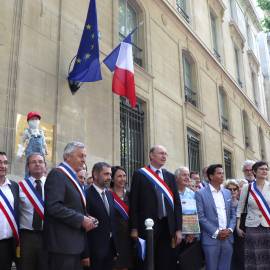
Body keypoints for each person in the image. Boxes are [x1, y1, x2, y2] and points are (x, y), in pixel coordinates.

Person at [44, 141, 96, 270]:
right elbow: (54, 206)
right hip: (62, 247)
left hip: (74, 245)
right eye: (81, 156)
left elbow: (73, 206)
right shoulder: (57, 174)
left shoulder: (72, 177)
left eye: (85, 156)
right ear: (67, 156)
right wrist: (81, 219)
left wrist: (87, 217)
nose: (84, 160)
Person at [129, 145, 182, 270]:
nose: (164, 156)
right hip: (147, 226)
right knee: (148, 261)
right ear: (151, 155)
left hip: (167, 225)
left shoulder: (169, 176)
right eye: (161, 153)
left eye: (165, 154)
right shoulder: (140, 174)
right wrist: (134, 228)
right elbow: (134, 203)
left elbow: (177, 205)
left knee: (165, 261)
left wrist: (179, 229)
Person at [195, 164, 236, 270]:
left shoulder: (227, 193)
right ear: (211, 176)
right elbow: (201, 216)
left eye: (223, 173)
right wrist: (217, 232)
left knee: (225, 267)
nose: (222, 175)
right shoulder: (200, 194)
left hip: (228, 238)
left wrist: (230, 229)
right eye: (219, 173)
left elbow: (233, 214)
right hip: (211, 239)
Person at [83, 162, 117, 270]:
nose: (109, 177)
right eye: (106, 174)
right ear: (95, 175)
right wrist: (85, 254)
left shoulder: (110, 195)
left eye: (110, 174)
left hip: (109, 251)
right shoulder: (86, 195)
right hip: (93, 252)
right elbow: (83, 228)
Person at [236, 161, 270, 270]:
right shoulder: (247, 187)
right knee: (253, 256)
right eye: (261, 169)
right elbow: (240, 208)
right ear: (254, 171)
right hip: (252, 227)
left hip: (268, 225)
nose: (264, 171)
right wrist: (237, 226)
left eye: (266, 169)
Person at [19, 153, 48, 270]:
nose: (37, 164)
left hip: (47, 236)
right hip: (27, 237)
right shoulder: (20, 186)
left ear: (45, 165)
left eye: (40, 161)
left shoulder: (53, 184)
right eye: (33, 162)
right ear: (28, 166)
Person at [175, 167, 202, 270]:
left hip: (190, 237)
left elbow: (195, 213)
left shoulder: (192, 194)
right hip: (175, 236)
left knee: (188, 263)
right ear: (176, 178)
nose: (187, 177)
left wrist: (191, 233)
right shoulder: (171, 193)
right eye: (184, 175)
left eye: (187, 175)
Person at [110, 166, 133, 270]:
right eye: (119, 176)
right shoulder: (107, 194)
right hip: (112, 238)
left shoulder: (130, 195)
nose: (123, 179)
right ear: (112, 178)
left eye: (124, 176)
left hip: (128, 238)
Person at [0, 152, 20, 270]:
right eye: (0, 162)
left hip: (7, 244)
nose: (2, 165)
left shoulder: (14, 186)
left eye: (5, 163)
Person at [224, 179, 242, 270]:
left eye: (234, 189)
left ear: (238, 190)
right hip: (227, 233)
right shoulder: (223, 202)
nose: (232, 191)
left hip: (239, 234)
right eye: (229, 189)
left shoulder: (242, 202)